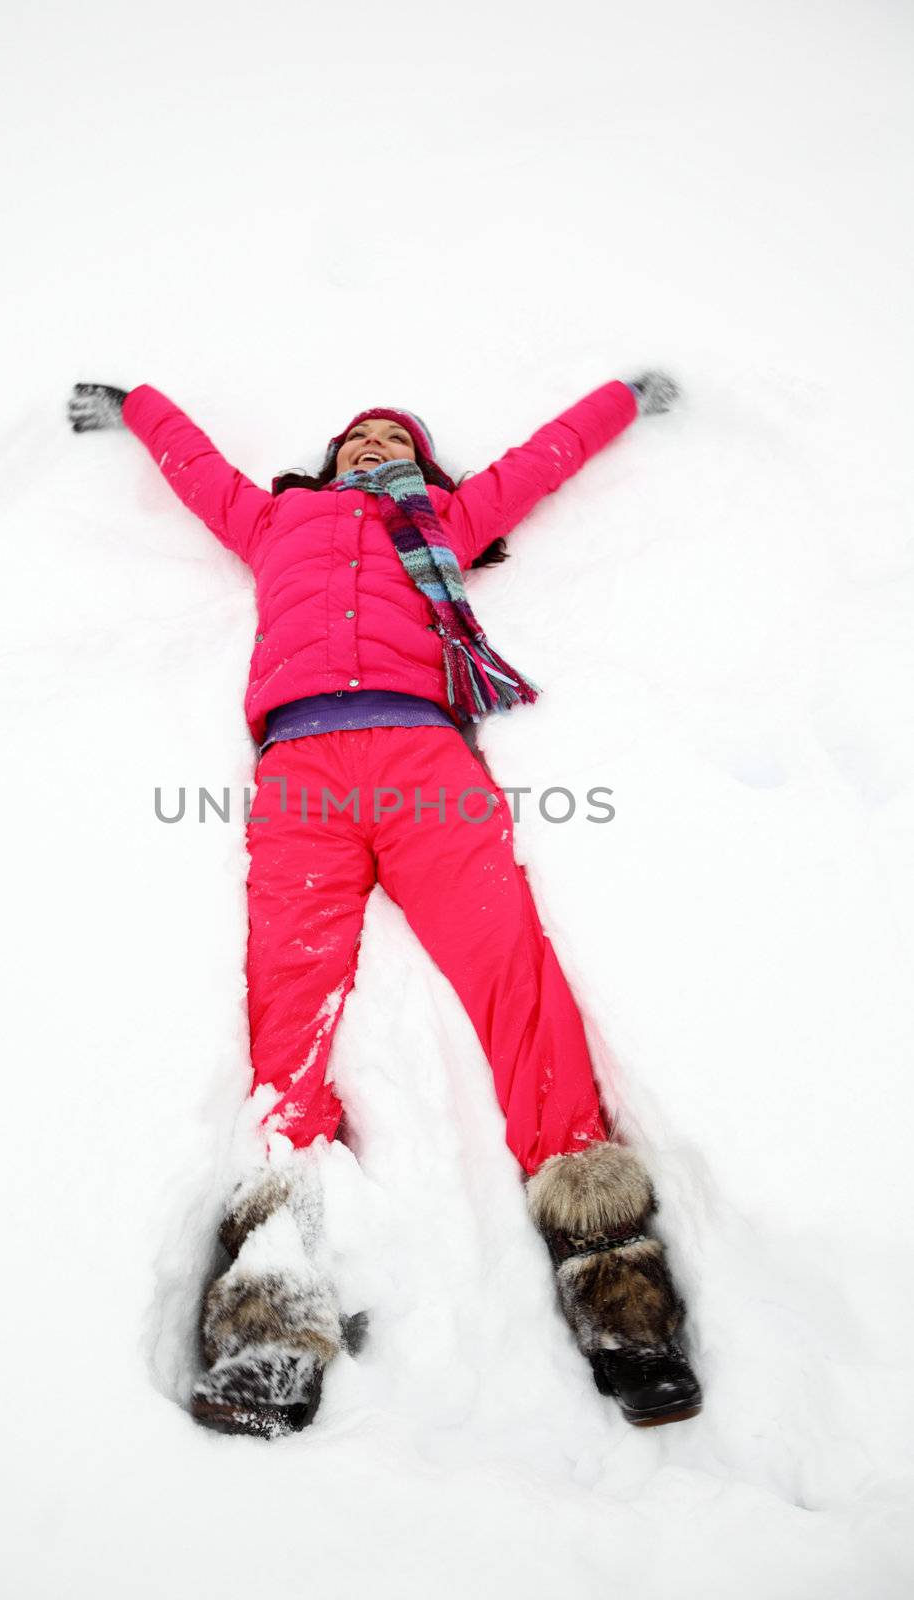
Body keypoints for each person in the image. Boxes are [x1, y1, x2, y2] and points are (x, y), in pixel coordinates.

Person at [68, 372, 703, 1437]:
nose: (370, 447)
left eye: (390, 438)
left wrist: (617, 401)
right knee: (289, 1002)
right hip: (302, 773)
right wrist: (137, 404)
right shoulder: (276, 519)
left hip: (424, 761)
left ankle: (612, 1275)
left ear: (421, 464)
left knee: (512, 974)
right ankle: (269, 1302)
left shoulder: (448, 521)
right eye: (355, 439)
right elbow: (197, 471)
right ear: (328, 461)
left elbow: (543, 456)